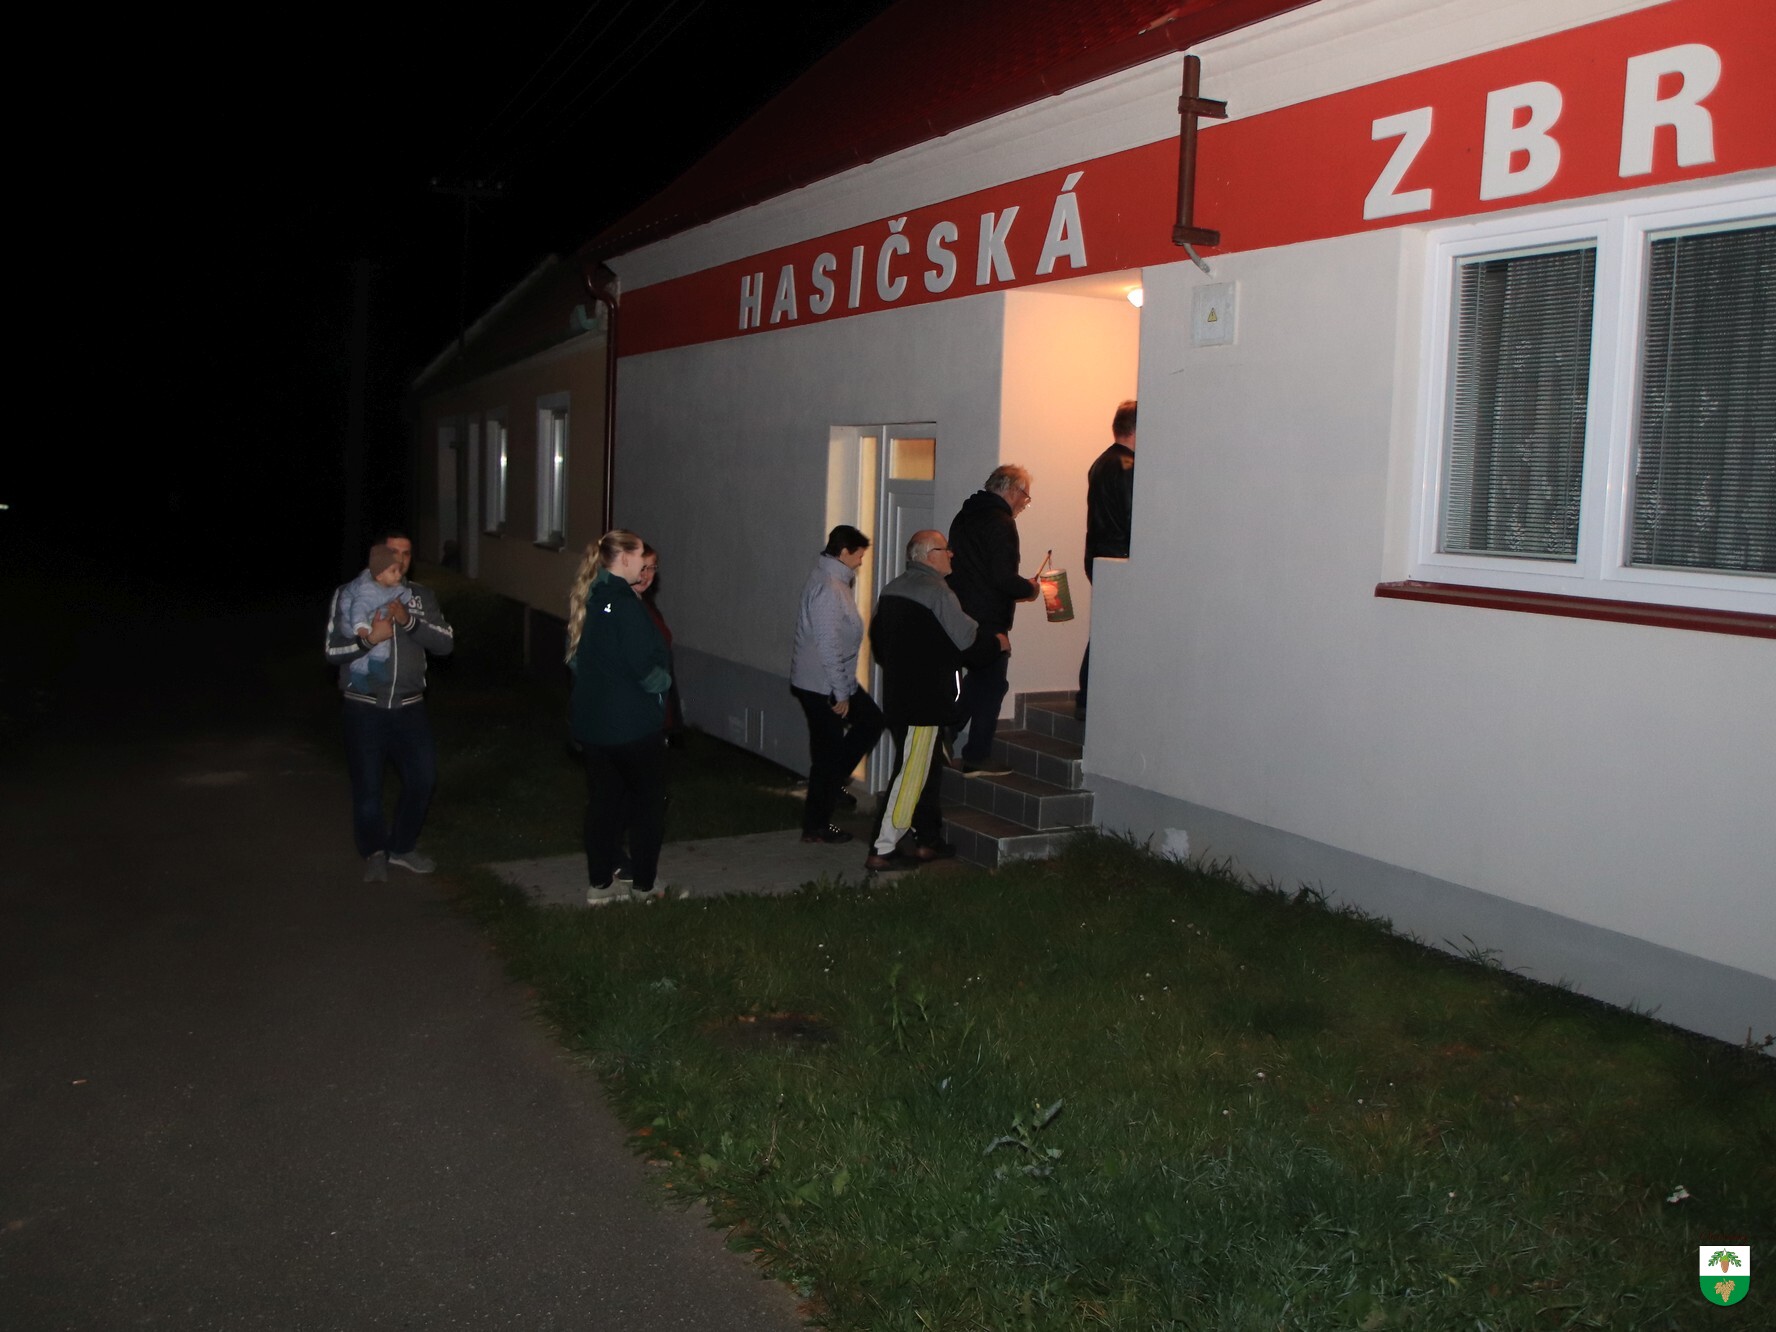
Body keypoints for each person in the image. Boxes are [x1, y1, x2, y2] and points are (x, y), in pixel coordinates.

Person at [865, 530, 1008, 872]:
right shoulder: (938, 592)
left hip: (899, 697)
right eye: (946, 549)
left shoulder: (892, 589)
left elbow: (879, 645)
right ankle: (882, 848)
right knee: (912, 774)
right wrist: (997, 643)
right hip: (925, 703)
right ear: (929, 555)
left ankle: (928, 840)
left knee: (927, 771)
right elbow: (968, 641)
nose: (952, 554)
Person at [325, 530, 455, 883]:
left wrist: (408, 622)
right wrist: (368, 641)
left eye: (406, 553)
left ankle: (401, 846)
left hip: (410, 708)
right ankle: (374, 852)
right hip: (363, 708)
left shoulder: (419, 596)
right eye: (393, 552)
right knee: (368, 788)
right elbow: (332, 651)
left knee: (423, 779)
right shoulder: (350, 593)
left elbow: (445, 644)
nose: (400, 559)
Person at [568, 530, 673, 907]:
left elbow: (579, 660)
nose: (645, 565)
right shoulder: (623, 603)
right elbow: (643, 663)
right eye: (641, 556)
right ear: (625, 558)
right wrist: (662, 685)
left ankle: (600, 884)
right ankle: (644, 885)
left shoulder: (592, 596)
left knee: (604, 801)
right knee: (648, 802)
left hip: (594, 725)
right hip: (630, 725)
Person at [789, 525, 885, 844]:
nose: (861, 561)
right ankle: (817, 824)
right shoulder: (830, 588)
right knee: (828, 754)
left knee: (868, 723)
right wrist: (841, 693)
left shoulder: (832, 580)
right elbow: (828, 644)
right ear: (844, 553)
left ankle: (832, 784)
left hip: (827, 681)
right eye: (859, 555)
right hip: (822, 685)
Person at [946, 464, 1039, 774]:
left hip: (961, 611)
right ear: (1011, 490)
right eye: (1025, 496)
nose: (1024, 503)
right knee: (993, 684)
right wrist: (1030, 587)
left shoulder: (965, 515)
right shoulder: (1001, 522)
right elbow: (1002, 577)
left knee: (980, 681)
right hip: (988, 617)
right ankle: (975, 755)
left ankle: (944, 738)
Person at [1079, 399, 1137, 717]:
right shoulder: (1128, 466)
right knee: (1112, 631)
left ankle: (1088, 696)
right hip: (1120, 555)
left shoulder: (1101, 462)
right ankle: (1091, 697)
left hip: (1098, 554)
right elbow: (1131, 516)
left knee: (1105, 627)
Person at [342, 544, 413, 692]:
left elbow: (400, 592)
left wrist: (408, 596)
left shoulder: (390, 584)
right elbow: (359, 607)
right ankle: (358, 672)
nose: (399, 575)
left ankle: (376, 662)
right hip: (353, 619)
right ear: (379, 575)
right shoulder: (369, 589)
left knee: (384, 634)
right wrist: (361, 625)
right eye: (393, 571)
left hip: (373, 614)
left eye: (399, 570)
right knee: (370, 643)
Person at [634, 544, 685, 745]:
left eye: (652, 568)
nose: (646, 575)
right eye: (642, 568)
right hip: (635, 707)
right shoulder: (621, 606)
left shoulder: (646, 604)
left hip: (655, 701)